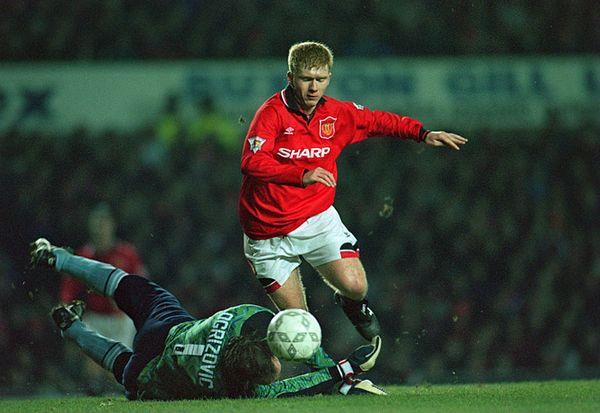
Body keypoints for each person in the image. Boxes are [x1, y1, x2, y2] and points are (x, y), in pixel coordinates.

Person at [239, 41, 468, 343]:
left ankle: (352, 304)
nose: (313, 87)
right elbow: (251, 162)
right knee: (300, 326)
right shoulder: (271, 114)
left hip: (315, 219)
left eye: (320, 79)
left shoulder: (337, 114)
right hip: (266, 233)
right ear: (290, 78)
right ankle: (325, 369)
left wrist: (422, 133)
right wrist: (301, 175)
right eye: (306, 79)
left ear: (329, 78)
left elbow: (378, 121)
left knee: (357, 286)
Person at [30, 238, 386, 399]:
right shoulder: (240, 390)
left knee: (127, 286)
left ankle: (58, 257)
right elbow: (295, 387)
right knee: (124, 368)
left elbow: (283, 332)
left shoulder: (245, 316)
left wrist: (343, 368)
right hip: (152, 368)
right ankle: (70, 327)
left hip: (167, 327)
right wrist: (342, 373)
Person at [60, 203, 147, 348]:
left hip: (121, 321)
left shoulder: (128, 254)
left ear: (112, 225)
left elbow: (142, 287)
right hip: (94, 319)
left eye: (103, 223)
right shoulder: (82, 257)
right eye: (96, 223)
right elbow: (68, 292)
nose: (99, 229)